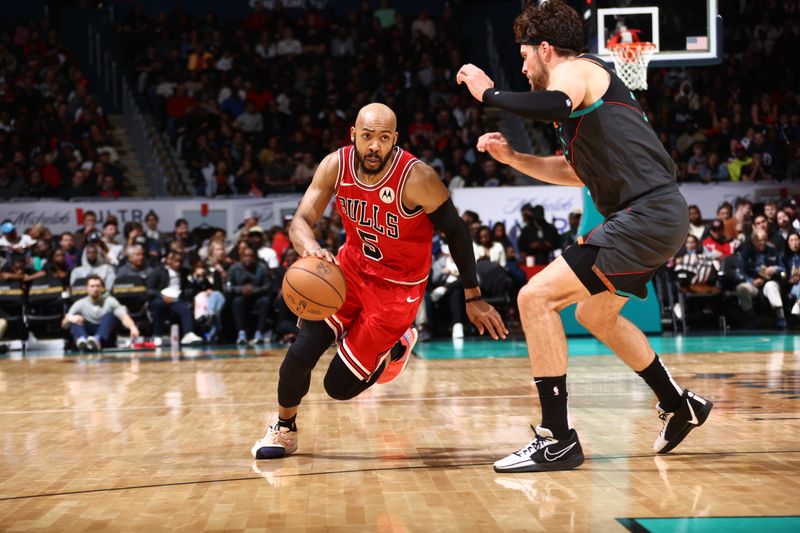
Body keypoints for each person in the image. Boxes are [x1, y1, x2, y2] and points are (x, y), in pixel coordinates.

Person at [456, 0, 711, 472]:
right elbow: (576, 173)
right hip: (653, 215)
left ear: (546, 48)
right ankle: (678, 404)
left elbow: (555, 101)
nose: (522, 63)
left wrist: (490, 95)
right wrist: (515, 160)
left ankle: (557, 438)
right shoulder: (579, 102)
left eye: (525, 54)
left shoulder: (577, 71)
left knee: (535, 299)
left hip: (646, 215)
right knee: (596, 314)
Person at [251, 103, 506, 460]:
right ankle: (284, 428)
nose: (375, 146)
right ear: (353, 134)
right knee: (300, 353)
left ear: (394, 140)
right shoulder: (335, 165)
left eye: (384, 138)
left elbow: (457, 232)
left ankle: (396, 348)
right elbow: (300, 221)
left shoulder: (417, 178)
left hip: (396, 290)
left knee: (338, 387)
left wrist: (473, 294)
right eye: (368, 136)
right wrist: (309, 247)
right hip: (350, 272)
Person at [61, 275, 140, 351]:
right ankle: (83, 341)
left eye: (98, 286)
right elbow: (64, 325)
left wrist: (132, 327)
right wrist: (71, 318)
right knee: (75, 319)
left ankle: (97, 340)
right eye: (92, 286)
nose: (95, 289)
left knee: (109, 316)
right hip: (87, 335)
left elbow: (124, 317)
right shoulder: (79, 303)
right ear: (87, 288)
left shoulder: (110, 301)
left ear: (103, 288)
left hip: (105, 337)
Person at [736, 228, 786, 329]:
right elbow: (740, 273)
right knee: (741, 288)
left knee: (771, 286)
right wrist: (751, 281)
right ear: (753, 241)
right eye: (759, 240)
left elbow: (783, 269)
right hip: (753, 283)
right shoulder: (745, 254)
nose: (762, 242)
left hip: (769, 282)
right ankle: (750, 318)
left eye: (764, 239)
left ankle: (781, 318)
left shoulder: (773, 251)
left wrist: (775, 268)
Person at [227, 244, 273, 344]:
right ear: (241, 257)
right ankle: (241, 333)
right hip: (241, 298)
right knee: (237, 301)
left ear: (254, 257)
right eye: (245, 256)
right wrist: (241, 290)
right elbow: (228, 286)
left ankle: (259, 333)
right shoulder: (234, 268)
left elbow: (267, 285)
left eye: (251, 256)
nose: (248, 258)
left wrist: (253, 290)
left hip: (257, 298)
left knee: (265, 301)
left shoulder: (261, 268)